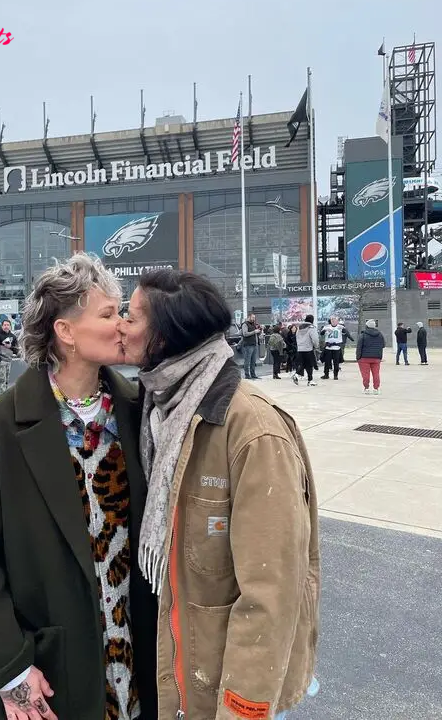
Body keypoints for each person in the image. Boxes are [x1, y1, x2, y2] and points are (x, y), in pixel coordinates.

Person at [0, 254, 158, 720]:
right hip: (50, 673)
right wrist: (10, 669)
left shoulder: (139, 411)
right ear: (65, 332)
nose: (121, 324)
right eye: (107, 314)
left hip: (136, 666)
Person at [118, 270, 320, 720]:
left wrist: (242, 708)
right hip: (182, 675)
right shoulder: (158, 409)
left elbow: (272, 592)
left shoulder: (251, 430)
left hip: (229, 692)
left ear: (165, 334)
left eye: (130, 317)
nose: (119, 326)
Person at [356, 319, 385, 395]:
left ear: (367, 326)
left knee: (365, 374)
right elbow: (383, 345)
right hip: (376, 358)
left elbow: (359, 347)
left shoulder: (363, 335)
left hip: (364, 358)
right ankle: (376, 389)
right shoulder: (380, 334)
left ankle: (366, 388)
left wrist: (358, 357)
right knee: (376, 374)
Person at [0, 320, 20, 394]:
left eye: (8, 325)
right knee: (1, 381)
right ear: (2, 326)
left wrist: (10, 347)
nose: (6, 326)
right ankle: (1, 399)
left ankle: (5, 397)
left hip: (8, 361)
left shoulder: (13, 336)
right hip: (1, 361)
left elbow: (16, 350)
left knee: (6, 381)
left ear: (10, 326)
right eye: (4, 325)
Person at [293, 315, 319, 386]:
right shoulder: (311, 328)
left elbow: (297, 337)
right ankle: (309, 380)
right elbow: (315, 339)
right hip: (308, 349)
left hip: (300, 349)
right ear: (312, 320)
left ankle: (298, 375)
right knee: (309, 365)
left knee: (303, 364)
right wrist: (316, 346)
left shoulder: (299, 328)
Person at [241, 312, 262, 380]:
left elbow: (256, 334)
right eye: (252, 317)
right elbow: (245, 334)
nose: (254, 319)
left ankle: (253, 374)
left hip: (254, 344)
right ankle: (247, 375)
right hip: (248, 345)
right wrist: (254, 332)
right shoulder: (245, 324)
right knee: (247, 360)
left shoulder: (253, 324)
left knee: (253, 361)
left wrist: (259, 331)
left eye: (254, 318)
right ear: (248, 317)